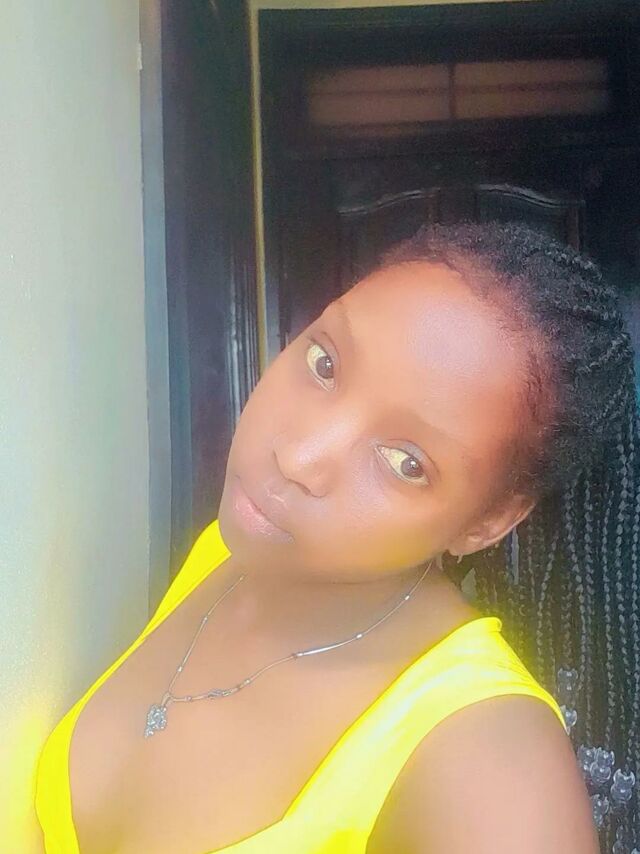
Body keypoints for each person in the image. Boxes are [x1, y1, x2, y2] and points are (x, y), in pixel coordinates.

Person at [37, 219, 638, 853]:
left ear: (487, 523)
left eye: (406, 462)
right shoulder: (229, 554)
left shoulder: (489, 765)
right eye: (325, 363)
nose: (297, 457)